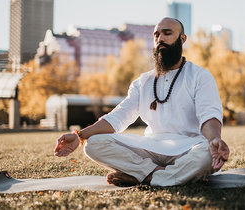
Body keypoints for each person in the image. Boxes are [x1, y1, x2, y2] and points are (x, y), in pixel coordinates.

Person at [54, 17, 230, 187]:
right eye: (156, 35)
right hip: (150, 149)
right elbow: (118, 117)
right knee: (93, 144)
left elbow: (209, 115)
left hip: (188, 149)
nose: (160, 39)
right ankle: (160, 175)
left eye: (167, 33)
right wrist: (79, 136)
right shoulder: (142, 82)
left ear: (182, 39)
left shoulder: (200, 76)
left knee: (207, 153)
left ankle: (143, 176)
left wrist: (214, 138)